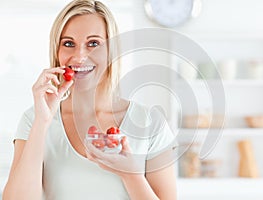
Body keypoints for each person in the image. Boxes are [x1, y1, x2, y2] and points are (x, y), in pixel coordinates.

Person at [3, 0, 177, 199]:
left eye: (93, 43)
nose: (79, 57)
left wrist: (131, 175)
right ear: (57, 52)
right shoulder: (34, 118)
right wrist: (42, 123)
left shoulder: (150, 123)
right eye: (68, 44)